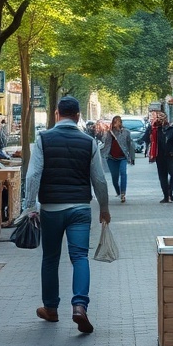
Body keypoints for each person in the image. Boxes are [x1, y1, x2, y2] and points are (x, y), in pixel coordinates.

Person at [23, 95, 111, 333]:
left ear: (56, 114)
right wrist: (104, 208)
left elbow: (33, 175)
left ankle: (51, 309)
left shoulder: (43, 139)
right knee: (79, 257)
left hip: (51, 209)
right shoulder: (88, 142)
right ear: (79, 116)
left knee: (50, 259)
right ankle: (80, 306)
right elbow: (99, 180)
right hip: (81, 209)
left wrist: (30, 206)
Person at [145, 111, 173, 203]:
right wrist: (150, 129)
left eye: (161, 118)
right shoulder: (154, 130)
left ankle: (170, 191)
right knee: (162, 176)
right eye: (158, 118)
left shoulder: (172, 130)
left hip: (170, 156)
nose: (160, 120)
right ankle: (166, 196)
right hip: (160, 157)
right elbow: (145, 139)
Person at [100, 115, 135, 204]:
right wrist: (108, 132)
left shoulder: (126, 132)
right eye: (114, 122)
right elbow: (104, 142)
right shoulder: (109, 133)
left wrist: (132, 157)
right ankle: (118, 191)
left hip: (122, 157)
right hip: (111, 158)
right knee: (115, 178)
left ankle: (123, 193)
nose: (116, 123)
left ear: (120, 123)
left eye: (118, 121)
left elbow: (130, 145)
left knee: (123, 173)